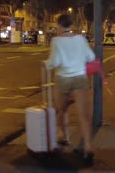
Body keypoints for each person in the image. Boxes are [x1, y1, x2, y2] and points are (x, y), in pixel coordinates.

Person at [45, 14, 96, 164]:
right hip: (79, 79)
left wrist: (46, 64)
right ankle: (88, 145)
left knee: (61, 109)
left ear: (60, 26)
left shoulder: (56, 41)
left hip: (63, 80)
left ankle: (61, 134)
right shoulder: (81, 39)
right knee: (83, 114)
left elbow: (55, 61)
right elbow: (91, 57)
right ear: (71, 25)